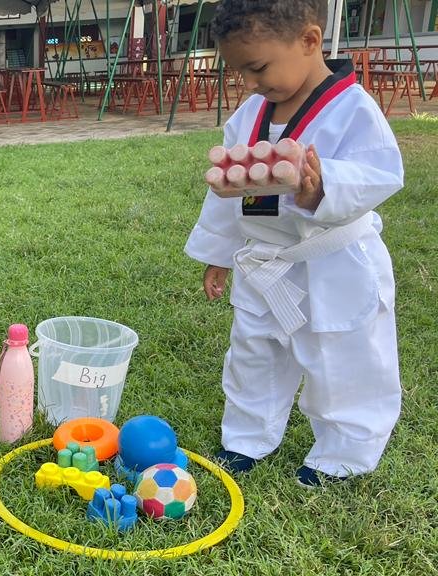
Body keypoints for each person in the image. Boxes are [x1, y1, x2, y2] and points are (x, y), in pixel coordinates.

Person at [185, 0, 403, 488]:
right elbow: (227, 190)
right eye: (239, 71)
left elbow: (381, 172)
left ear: (309, 40)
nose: (249, 82)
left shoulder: (352, 108)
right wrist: (218, 256)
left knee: (342, 359)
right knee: (253, 354)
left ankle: (344, 453)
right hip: (264, 261)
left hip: (333, 260)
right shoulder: (249, 114)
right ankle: (246, 439)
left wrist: (324, 187)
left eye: (258, 67)